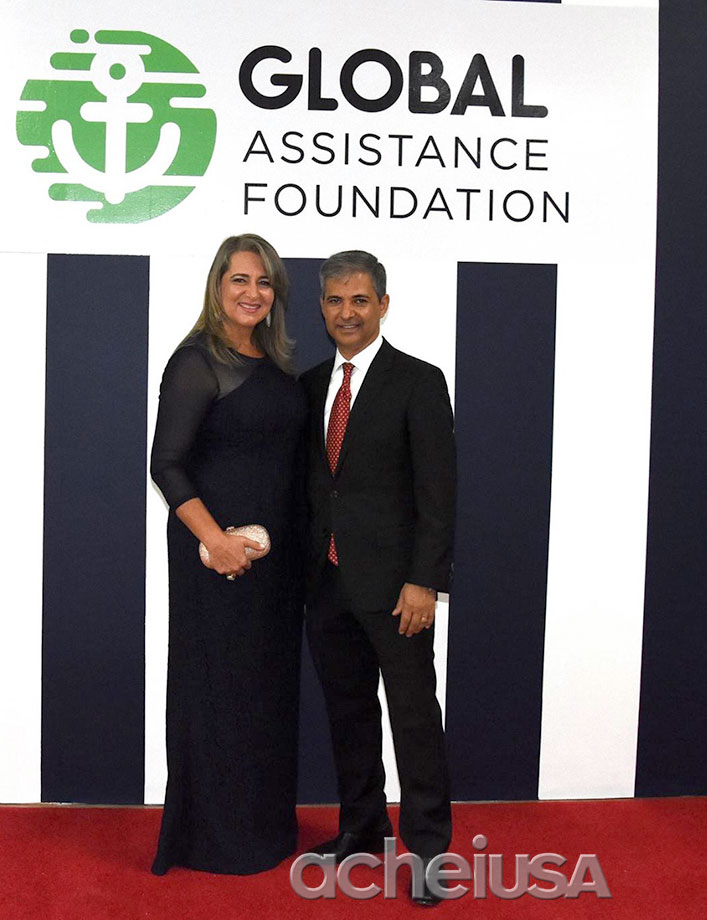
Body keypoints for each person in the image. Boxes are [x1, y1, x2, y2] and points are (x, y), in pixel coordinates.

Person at [300, 250, 456, 906]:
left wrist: (425, 581)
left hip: (398, 592)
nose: (347, 312)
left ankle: (429, 854)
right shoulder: (310, 385)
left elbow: (438, 493)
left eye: (360, 300)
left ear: (383, 305)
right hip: (326, 585)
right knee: (349, 715)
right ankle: (361, 829)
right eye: (335, 300)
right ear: (322, 307)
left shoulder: (418, 381)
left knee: (414, 719)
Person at [148, 233, 306, 876]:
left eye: (264, 282)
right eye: (240, 279)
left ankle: (264, 827)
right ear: (217, 286)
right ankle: (215, 839)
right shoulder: (196, 361)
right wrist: (215, 541)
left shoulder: (277, 365)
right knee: (220, 693)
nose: (252, 292)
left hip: (276, 569)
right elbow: (166, 464)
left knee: (266, 695)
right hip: (215, 563)